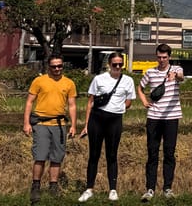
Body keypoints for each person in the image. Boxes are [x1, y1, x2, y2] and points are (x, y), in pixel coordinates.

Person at [78, 52, 135, 202]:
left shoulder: (128, 80)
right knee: (94, 155)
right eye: (114, 64)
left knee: (112, 155)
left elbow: (129, 101)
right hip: (97, 119)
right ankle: (89, 188)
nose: (117, 67)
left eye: (120, 64)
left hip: (115, 120)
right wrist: (86, 125)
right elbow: (90, 101)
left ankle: (113, 189)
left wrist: (118, 107)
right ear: (108, 64)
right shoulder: (99, 79)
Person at [23, 55, 77, 204]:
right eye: (54, 66)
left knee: (57, 157)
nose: (57, 69)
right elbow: (29, 102)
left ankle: (53, 186)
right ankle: (36, 186)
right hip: (41, 123)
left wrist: (73, 125)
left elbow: (72, 105)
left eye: (59, 66)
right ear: (48, 67)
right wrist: (26, 123)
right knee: (40, 156)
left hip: (59, 125)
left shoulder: (69, 83)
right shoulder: (39, 81)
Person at [136, 43, 184, 201]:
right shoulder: (150, 72)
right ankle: (150, 189)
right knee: (152, 153)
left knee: (169, 153)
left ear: (169, 57)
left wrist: (174, 77)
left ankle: (167, 188)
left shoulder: (176, 69)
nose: (161, 60)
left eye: (164, 57)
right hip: (154, 117)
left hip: (171, 118)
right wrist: (144, 101)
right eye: (159, 57)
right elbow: (140, 87)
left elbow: (182, 77)